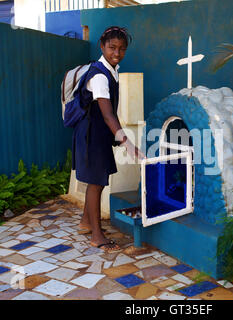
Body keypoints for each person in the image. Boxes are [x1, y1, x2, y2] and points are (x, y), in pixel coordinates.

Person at [72, 26, 144, 253]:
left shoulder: (111, 70)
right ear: (102, 46)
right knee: (96, 183)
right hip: (91, 134)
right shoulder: (100, 76)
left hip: (99, 133)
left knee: (98, 179)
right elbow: (107, 114)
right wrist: (127, 142)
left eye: (122, 49)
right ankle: (96, 235)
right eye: (112, 47)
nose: (117, 52)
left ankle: (86, 222)